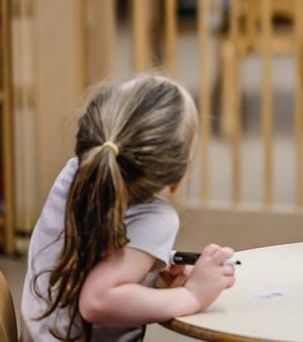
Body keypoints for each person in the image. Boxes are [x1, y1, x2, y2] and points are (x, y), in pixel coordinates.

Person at [21, 74, 236, 341]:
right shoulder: (157, 219)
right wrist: (192, 295)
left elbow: (92, 259)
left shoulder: (78, 175)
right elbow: (96, 300)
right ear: (176, 180)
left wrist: (148, 278)